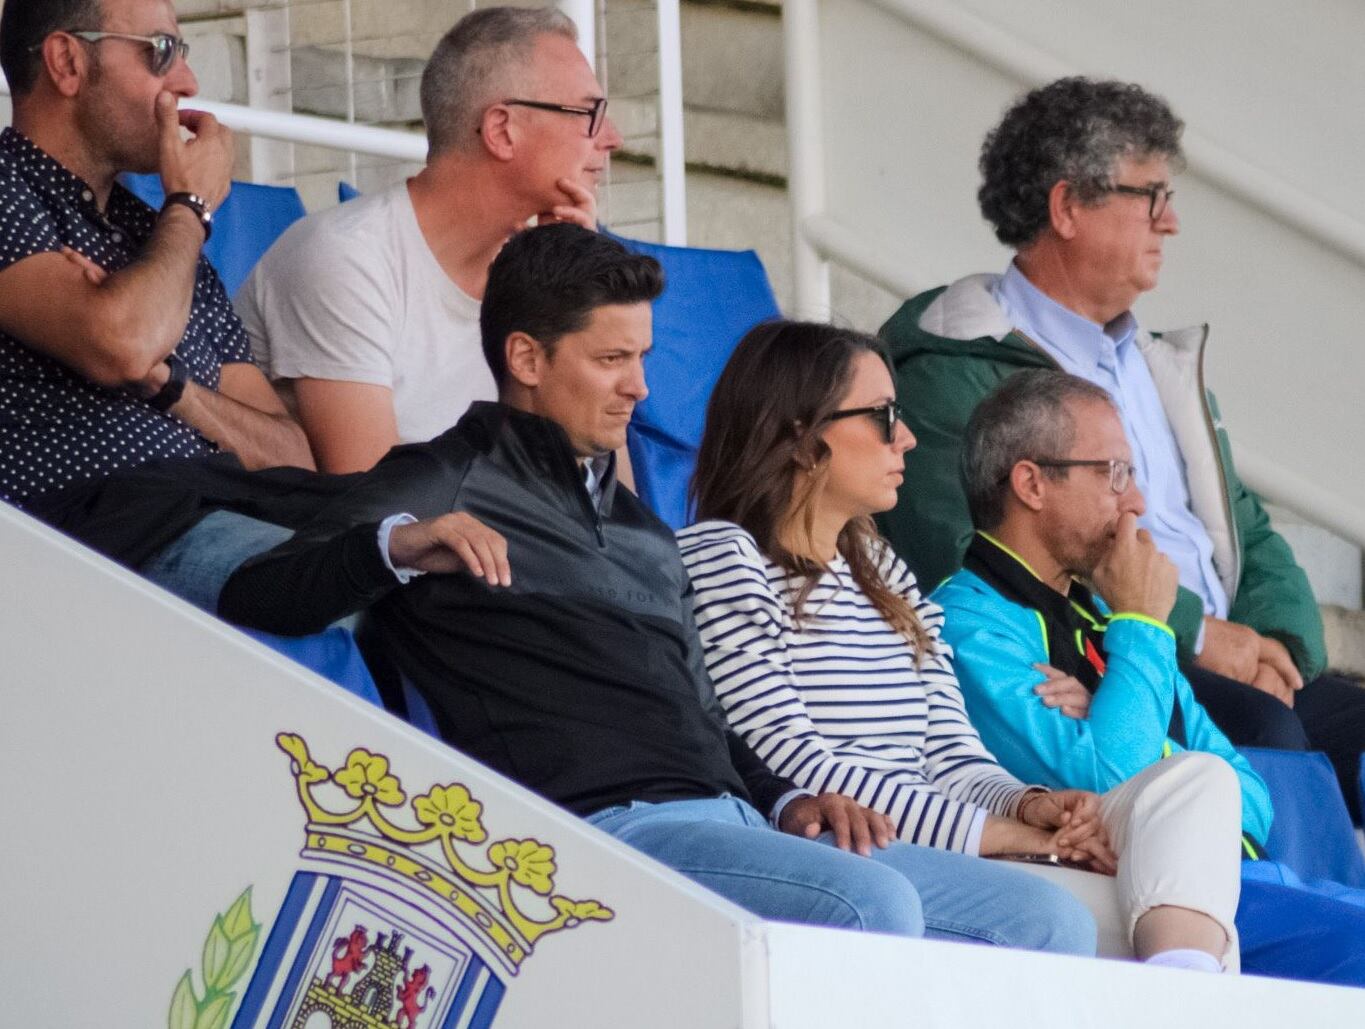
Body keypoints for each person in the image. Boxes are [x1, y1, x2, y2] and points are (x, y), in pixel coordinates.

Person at [219, 224, 1095, 954]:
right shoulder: (441, 481)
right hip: (597, 830)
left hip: (736, 821)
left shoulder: (643, 533)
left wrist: (789, 799)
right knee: (868, 906)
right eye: (610, 358)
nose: (640, 385)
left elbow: (705, 719)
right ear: (525, 356)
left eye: (641, 355)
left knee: (1046, 916)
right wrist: (396, 546)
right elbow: (259, 592)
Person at [679, 321, 1244, 971]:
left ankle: (1182, 986)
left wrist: (1031, 803)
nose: (907, 437)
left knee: (1196, 784)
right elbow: (794, 766)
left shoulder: (882, 573)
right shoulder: (725, 556)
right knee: (1184, 923)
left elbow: (949, 755)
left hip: (952, 840)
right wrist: (1013, 837)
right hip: (855, 850)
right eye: (883, 416)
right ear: (801, 435)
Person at [876, 76, 1365, 819]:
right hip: (1118, 655)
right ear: (1067, 206)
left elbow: (1245, 526)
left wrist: (1276, 645)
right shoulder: (955, 366)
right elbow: (983, 558)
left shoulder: (1160, 364)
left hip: (1222, 656)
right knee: (1269, 736)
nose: (1168, 224)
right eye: (1150, 196)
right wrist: (1195, 635)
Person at [933, 368, 1365, 987]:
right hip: (1131, 893)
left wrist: (1133, 726)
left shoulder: (1105, 615)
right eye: (1114, 474)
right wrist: (1140, 623)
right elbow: (1107, 780)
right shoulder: (969, 621)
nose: (1135, 502)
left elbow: (1251, 797)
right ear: (1031, 483)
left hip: (1230, 881)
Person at [0, 0, 314, 606]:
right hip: (82, 549)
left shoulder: (159, 231)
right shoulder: (10, 186)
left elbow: (292, 458)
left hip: (220, 515)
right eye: (160, 52)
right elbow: (124, 344)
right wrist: (191, 206)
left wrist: (172, 386)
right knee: (361, 593)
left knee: (441, 582)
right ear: (67, 62)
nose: (188, 84)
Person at [237, 6, 624, 475]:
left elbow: (613, 505)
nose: (613, 139)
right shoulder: (347, 259)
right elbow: (379, 506)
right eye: (589, 113)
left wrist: (582, 300)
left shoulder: (535, 280)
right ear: (502, 130)